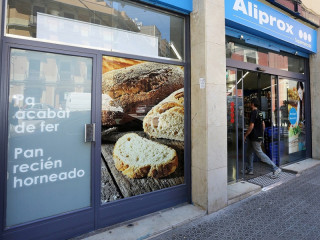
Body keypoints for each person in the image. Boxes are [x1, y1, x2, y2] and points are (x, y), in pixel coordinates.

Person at [243, 98, 281, 179]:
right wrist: (261, 134)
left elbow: (251, 126)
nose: (250, 104)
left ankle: (275, 168)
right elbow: (263, 124)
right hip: (256, 136)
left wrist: (245, 135)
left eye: (250, 103)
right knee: (249, 152)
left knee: (260, 154)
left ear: (253, 104)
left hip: (254, 137)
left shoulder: (253, 112)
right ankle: (250, 169)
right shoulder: (260, 112)